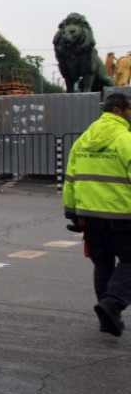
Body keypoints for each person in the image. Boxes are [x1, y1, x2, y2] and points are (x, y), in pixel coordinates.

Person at [63, 92, 131, 337]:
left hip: (89, 217)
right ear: (118, 111)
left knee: (103, 266)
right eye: (129, 110)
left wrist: (71, 211)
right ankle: (112, 305)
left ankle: (107, 320)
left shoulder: (82, 140)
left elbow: (70, 178)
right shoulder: (126, 140)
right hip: (122, 216)